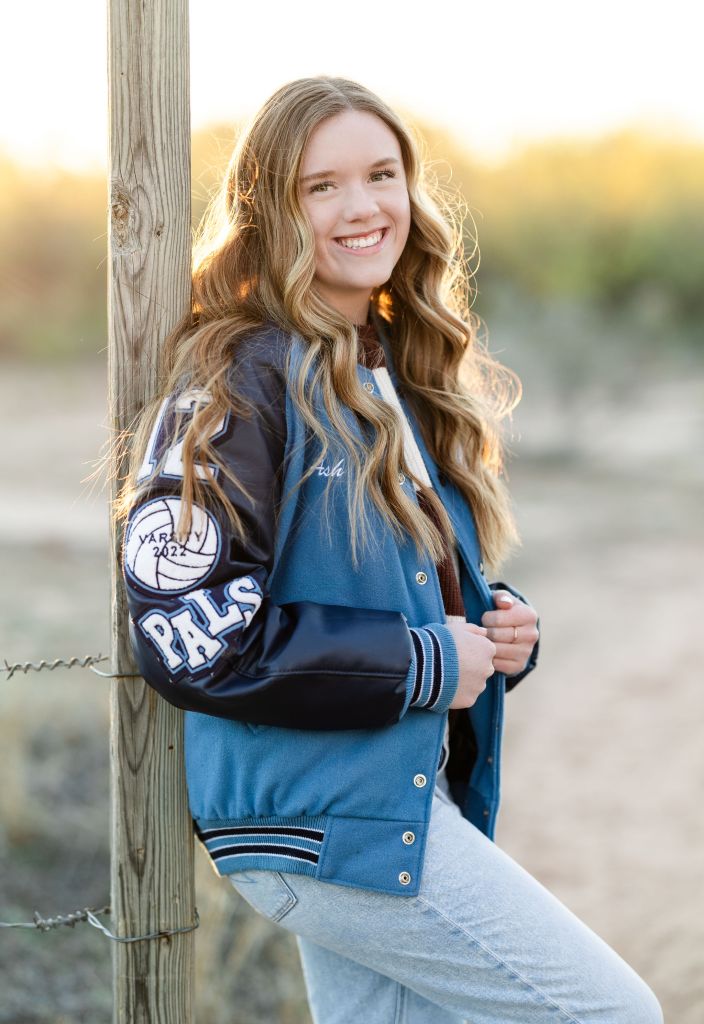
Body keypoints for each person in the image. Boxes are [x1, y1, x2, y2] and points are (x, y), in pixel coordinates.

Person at [119, 77, 662, 1024]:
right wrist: (422, 661)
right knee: (612, 1013)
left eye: (381, 173)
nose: (363, 206)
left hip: (384, 812)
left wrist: (486, 626)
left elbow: (378, 578)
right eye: (320, 186)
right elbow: (193, 637)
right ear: (269, 211)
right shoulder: (241, 375)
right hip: (323, 824)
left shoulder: (384, 361)